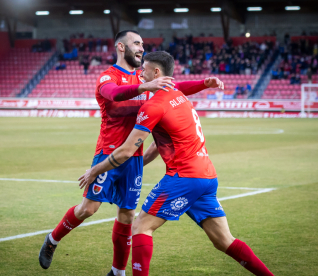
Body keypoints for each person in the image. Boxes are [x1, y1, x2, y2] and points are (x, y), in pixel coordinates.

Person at [38, 30, 224, 276]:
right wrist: (145, 86)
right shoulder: (108, 77)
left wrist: (203, 84)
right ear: (121, 47)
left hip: (133, 156)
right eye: (136, 43)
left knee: (127, 215)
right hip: (109, 152)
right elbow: (113, 94)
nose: (141, 48)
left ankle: (117, 272)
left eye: (143, 44)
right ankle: (53, 239)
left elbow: (174, 86)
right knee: (88, 209)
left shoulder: (143, 75)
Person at [79, 51, 274, 276]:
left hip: (184, 177)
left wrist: (95, 170)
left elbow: (124, 151)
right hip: (207, 177)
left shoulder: (153, 106)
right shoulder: (179, 97)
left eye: (144, 69)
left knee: (141, 226)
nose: (140, 74)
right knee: (224, 241)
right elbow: (155, 148)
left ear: (156, 72)